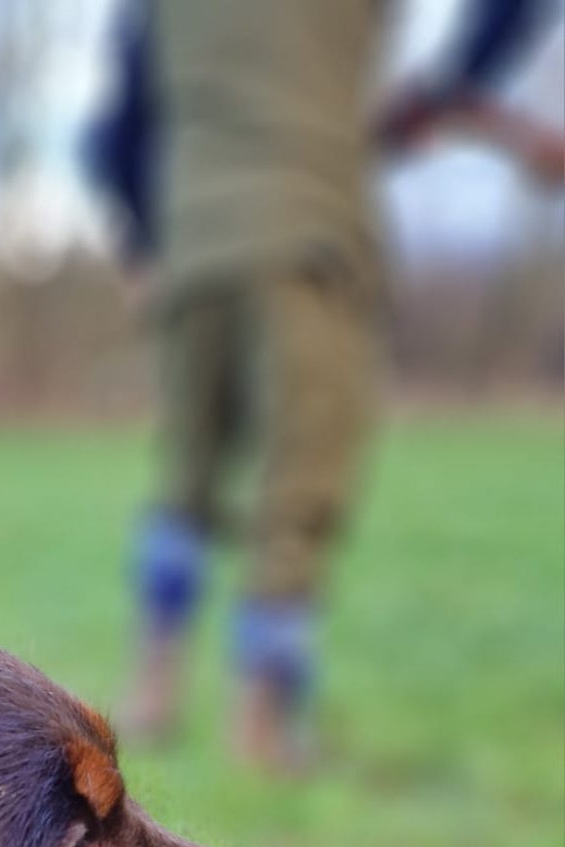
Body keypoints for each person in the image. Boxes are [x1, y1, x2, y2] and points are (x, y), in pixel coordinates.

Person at [86, 0, 561, 764]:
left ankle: (152, 690)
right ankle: (263, 728)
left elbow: (114, 134)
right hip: (309, 241)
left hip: (193, 242)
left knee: (186, 478)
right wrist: (455, 87)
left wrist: (148, 241)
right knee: (299, 490)